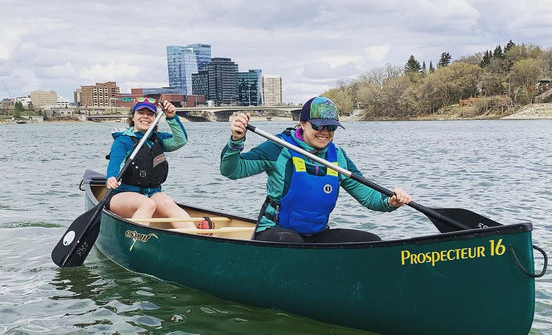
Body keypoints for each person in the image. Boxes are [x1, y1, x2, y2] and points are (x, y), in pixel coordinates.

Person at [221, 96, 411, 243]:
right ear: (302, 123)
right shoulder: (278, 147)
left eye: (331, 127)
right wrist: (236, 140)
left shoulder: (339, 158)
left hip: (317, 235)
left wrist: (391, 202)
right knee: (292, 241)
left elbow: (370, 198)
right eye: (318, 125)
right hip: (275, 232)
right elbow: (232, 170)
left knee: (371, 242)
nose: (325, 132)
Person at [106, 97, 191, 228]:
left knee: (167, 202)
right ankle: (135, 241)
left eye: (150, 114)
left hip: (151, 193)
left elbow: (181, 141)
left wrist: (172, 117)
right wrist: (111, 177)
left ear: (155, 118)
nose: (145, 117)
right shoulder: (123, 141)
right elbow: (115, 162)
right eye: (141, 113)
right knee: (147, 204)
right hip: (121, 196)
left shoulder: (159, 139)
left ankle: (194, 238)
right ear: (133, 117)